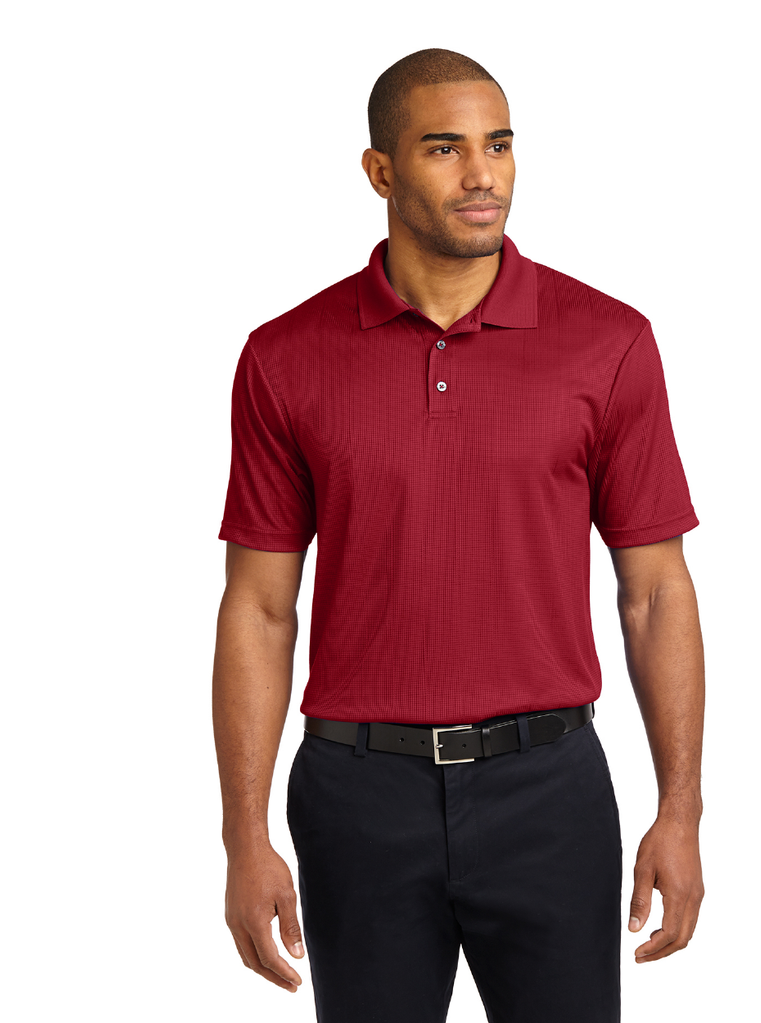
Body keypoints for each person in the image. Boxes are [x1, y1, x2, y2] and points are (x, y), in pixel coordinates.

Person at [213, 47, 705, 1023]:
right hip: (357, 796)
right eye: (444, 149)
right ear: (380, 172)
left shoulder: (608, 341)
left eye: (499, 145)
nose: (483, 175)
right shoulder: (284, 357)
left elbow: (655, 591)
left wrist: (680, 810)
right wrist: (243, 836)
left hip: (550, 789)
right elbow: (260, 609)